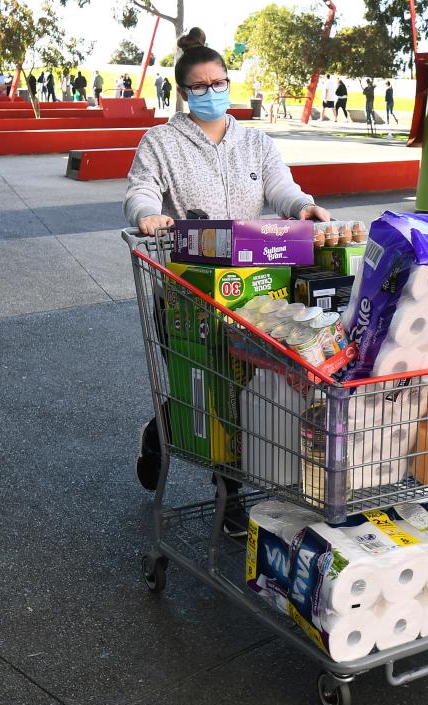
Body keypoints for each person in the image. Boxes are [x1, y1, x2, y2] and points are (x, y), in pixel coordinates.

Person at [125, 26, 331, 496]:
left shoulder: (254, 143)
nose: (211, 93)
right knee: (205, 383)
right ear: (183, 92)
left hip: (253, 289)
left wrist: (302, 207)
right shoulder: (161, 143)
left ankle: (219, 480)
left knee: (243, 390)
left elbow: (280, 187)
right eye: (200, 86)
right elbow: (141, 189)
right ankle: (205, 471)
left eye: (219, 83)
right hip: (188, 291)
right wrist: (149, 215)